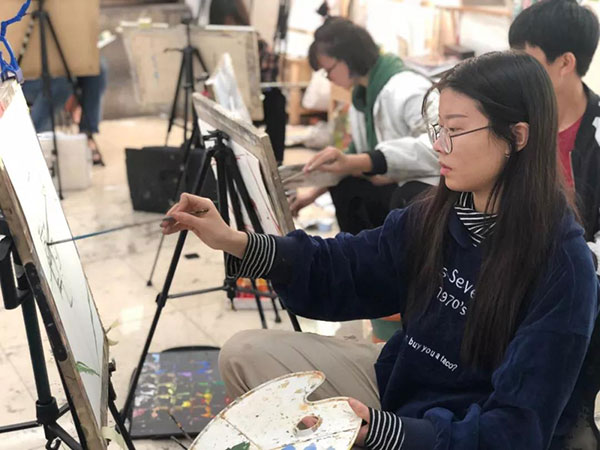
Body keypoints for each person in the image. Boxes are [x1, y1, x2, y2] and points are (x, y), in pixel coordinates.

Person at [162, 51, 599, 449]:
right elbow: (346, 266)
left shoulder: (563, 267)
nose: (438, 146)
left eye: (455, 130)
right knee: (243, 355)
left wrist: (386, 433)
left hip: (456, 434)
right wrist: (234, 240)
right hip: (399, 384)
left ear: (517, 136)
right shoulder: (437, 214)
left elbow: (517, 429)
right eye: (438, 129)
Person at [290, 17, 439, 234]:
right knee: (345, 185)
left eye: (328, 70)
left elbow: (437, 148)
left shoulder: (408, 89)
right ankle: (357, 251)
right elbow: (354, 155)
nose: (328, 78)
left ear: (347, 59)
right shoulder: (361, 96)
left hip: (418, 188)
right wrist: (311, 194)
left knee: (396, 196)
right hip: (390, 182)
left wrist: (367, 163)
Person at [509, 0, 600, 273]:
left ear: (565, 63)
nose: (514, 72)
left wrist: (568, 263)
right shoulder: (514, 116)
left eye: (525, 60)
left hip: (577, 274)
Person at [209, 0, 288, 165]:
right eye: (224, 20)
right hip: (219, 100)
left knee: (277, 100)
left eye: (232, 20)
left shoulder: (254, 42)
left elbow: (269, 80)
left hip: (250, 103)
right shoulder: (210, 42)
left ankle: (275, 161)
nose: (229, 25)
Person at [22, 57, 109, 166]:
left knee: (97, 68)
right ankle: (37, 143)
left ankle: (86, 133)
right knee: (61, 84)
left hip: (60, 67)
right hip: (25, 75)